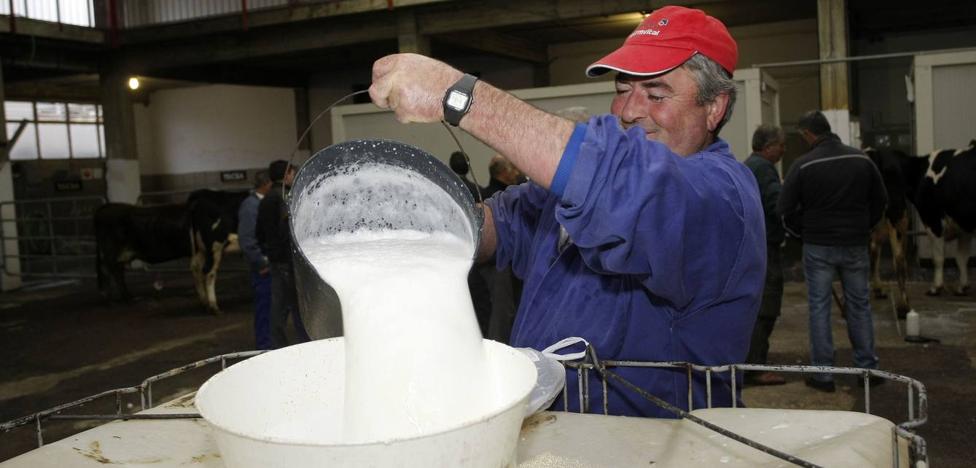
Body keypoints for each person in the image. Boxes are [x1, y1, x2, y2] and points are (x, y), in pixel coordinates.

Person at [370, 5, 764, 418]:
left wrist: (458, 94)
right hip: (554, 429)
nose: (629, 110)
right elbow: (500, 226)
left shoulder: (719, 195)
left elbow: (621, 184)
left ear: (715, 107)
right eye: (622, 89)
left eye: (656, 93)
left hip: (653, 443)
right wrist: (411, 218)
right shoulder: (572, 195)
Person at [778, 111, 887, 392]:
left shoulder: (803, 165)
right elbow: (880, 201)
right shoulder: (861, 160)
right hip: (855, 244)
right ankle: (867, 370)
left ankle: (823, 375)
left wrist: (804, 233)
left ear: (808, 135)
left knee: (819, 308)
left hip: (818, 246)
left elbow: (785, 210)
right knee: (860, 305)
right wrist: (863, 227)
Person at [743, 125, 787, 386]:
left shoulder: (749, 165)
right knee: (766, 307)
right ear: (769, 147)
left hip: (753, 246)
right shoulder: (765, 170)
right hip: (766, 247)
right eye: (781, 146)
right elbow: (777, 205)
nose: (783, 151)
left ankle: (751, 363)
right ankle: (756, 368)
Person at [256, 160, 311, 349]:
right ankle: (305, 346)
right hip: (287, 260)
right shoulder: (284, 199)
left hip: (274, 259)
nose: (293, 177)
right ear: (287, 174)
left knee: (278, 306)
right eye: (293, 173)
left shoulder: (265, 200)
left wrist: (269, 253)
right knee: (298, 306)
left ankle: (276, 346)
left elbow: (259, 233)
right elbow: (288, 232)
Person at [238, 170, 274, 350]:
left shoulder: (260, 203)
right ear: (266, 184)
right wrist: (262, 262)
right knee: (264, 309)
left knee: (271, 309)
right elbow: (247, 240)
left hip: (268, 264)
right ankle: (263, 347)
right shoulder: (251, 206)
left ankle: (269, 344)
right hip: (261, 268)